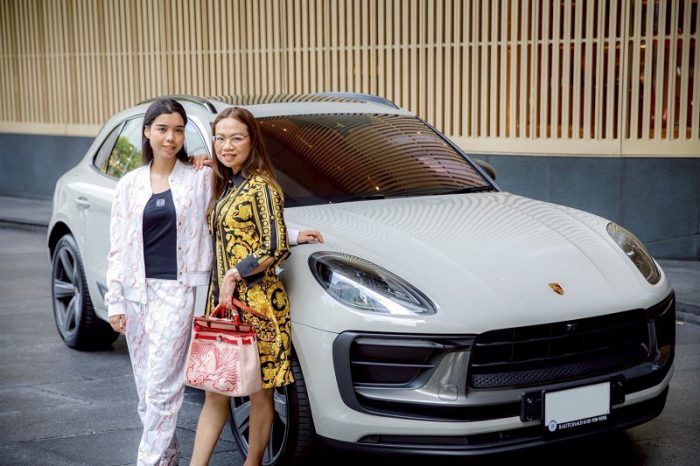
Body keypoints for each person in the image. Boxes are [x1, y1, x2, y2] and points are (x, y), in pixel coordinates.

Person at [105, 98, 321, 466]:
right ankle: (168, 456)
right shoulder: (130, 185)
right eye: (162, 129)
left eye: (178, 130)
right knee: (150, 392)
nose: (170, 138)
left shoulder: (200, 178)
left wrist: (294, 235)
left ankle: (151, 461)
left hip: (188, 293)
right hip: (141, 295)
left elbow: (252, 226)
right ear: (147, 132)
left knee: (163, 389)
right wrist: (115, 300)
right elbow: (120, 247)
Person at [189, 107, 293, 466]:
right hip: (223, 305)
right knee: (215, 391)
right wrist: (198, 160)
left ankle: (253, 463)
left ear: (252, 141)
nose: (227, 146)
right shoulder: (226, 184)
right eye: (220, 138)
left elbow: (276, 245)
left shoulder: (262, 187)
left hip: (257, 305)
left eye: (236, 138)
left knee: (259, 392)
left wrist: (235, 273)